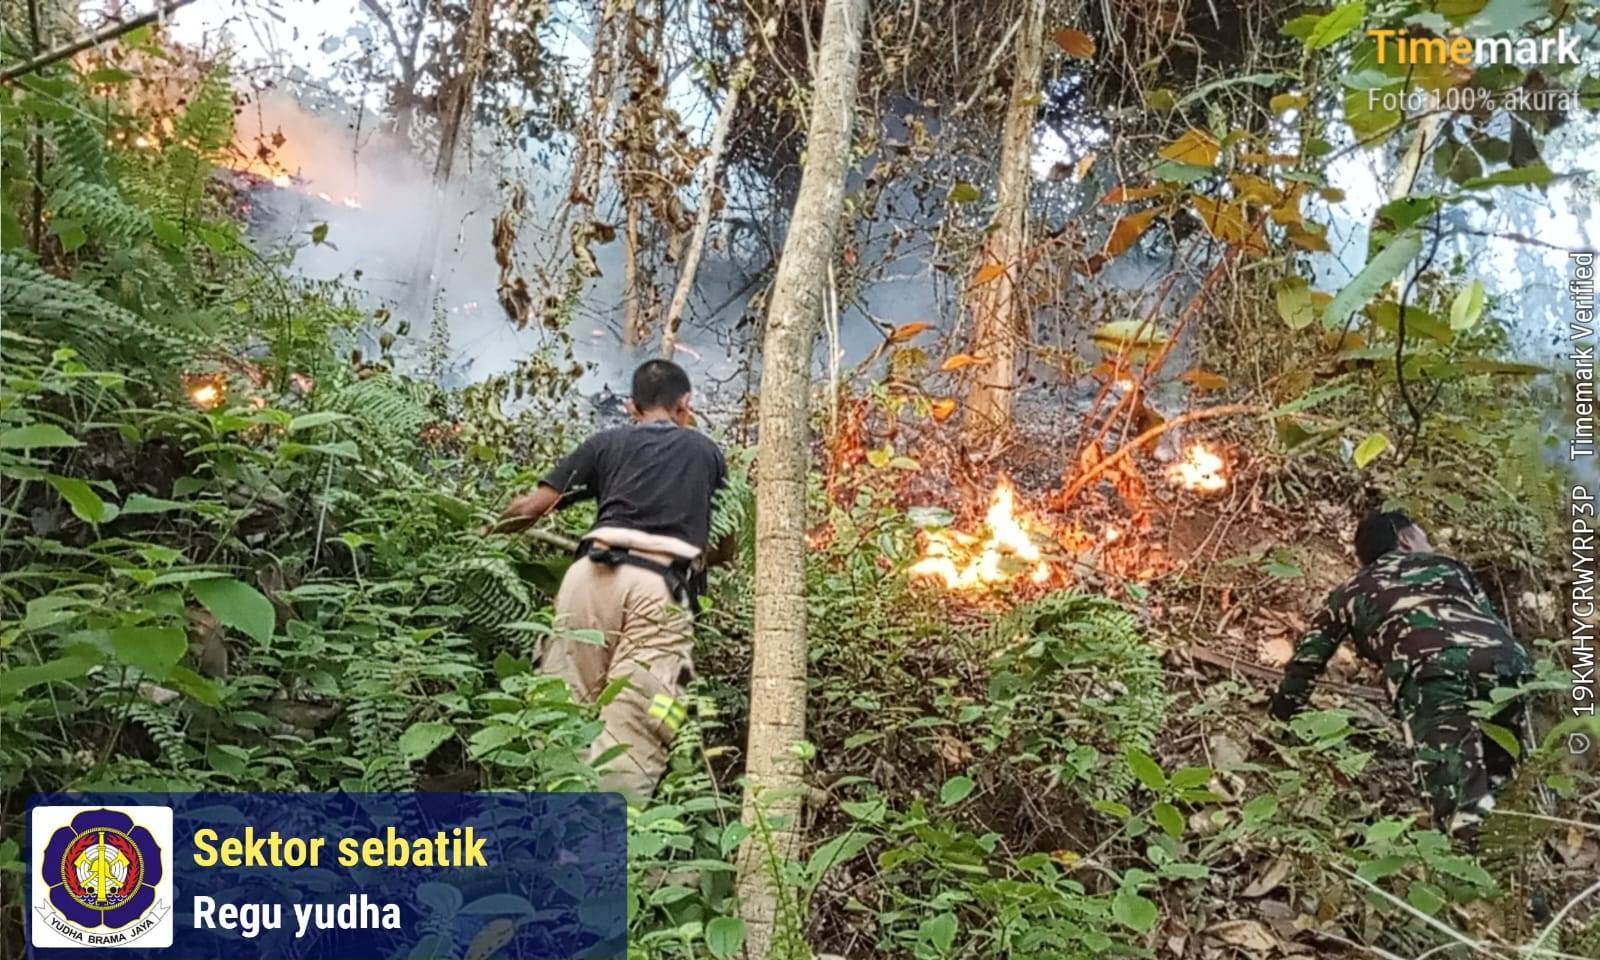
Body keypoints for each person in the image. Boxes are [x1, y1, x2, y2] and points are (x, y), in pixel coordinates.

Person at [488, 359, 727, 802]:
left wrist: (482, 535)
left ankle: (544, 829)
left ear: (632, 407)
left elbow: (531, 508)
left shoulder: (605, 443)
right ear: (685, 404)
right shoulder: (705, 452)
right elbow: (727, 535)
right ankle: (610, 850)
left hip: (587, 580)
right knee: (633, 728)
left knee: (560, 711)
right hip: (659, 588)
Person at [1268, 510, 1530, 839]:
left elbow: (1307, 661)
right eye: (1425, 537)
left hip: (1433, 674)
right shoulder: (1451, 568)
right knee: (1504, 785)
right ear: (1405, 540)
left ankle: (1474, 869)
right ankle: (1514, 865)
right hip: (1507, 666)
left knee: (1460, 803)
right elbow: (1489, 621)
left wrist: (1279, 720)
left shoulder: (1352, 590)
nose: (1430, 545)